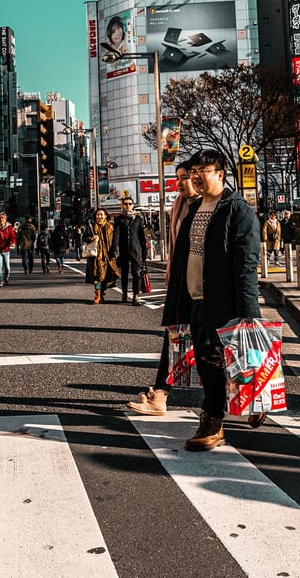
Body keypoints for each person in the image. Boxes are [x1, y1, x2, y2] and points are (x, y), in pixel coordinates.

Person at [167, 149, 262, 451]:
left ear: (220, 174)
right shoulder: (194, 208)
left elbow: (246, 265)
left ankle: (255, 398)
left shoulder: (238, 211)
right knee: (208, 362)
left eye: (203, 170)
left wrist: (249, 312)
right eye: (193, 170)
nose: (196, 176)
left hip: (224, 300)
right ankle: (213, 420)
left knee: (237, 358)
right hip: (196, 299)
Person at [129, 160, 196, 416]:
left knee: (213, 344)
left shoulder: (207, 206)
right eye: (177, 177)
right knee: (175, 337)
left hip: (203, 286)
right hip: (182, 282)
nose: (180, 182)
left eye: (186, 177)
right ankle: (160, 396)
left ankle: (249, 393)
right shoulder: (179, 205)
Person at [112, 198, 150, 305]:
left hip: (136, 249)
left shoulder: (138, 219)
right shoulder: (119, 219)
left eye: (129, 204)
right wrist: (114, 250)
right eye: (125, 204)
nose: (127, 206)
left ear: (133, 205)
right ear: (123, 205)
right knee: (124, 273)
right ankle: (124, 293)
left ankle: (136, 296)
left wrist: (144, 250)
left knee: (136, 273)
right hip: (124, 250)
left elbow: (141, 235)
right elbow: (116, 235)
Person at [85, 209, 118, 304]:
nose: (99, 217)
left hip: (108, 255)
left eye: (101, 215)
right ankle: (98, 295)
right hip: (96, 256)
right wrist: (91, 238)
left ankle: (102, 293)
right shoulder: (91, 226)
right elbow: (84, 237)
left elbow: (115, 240)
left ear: (106, 216)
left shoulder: (111, 227)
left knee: (107, 275)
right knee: (97, 275)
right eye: (97, 215)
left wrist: (114, 252)